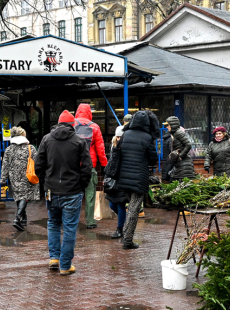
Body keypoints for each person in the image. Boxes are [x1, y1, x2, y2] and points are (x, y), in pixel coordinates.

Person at [35, 110, 93, 275]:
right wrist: (81, 185)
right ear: (72, 125)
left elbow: (38, 165)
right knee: (69, 228)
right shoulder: (79, 141)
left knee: (53, 223)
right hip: (72, 191)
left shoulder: (46, 139)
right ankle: (65, 265)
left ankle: (54, 257)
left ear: (59, 123)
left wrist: (45, 183)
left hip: (51, 190)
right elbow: (87, 167)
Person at [106, 111, 158, 249]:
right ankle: (127, 240)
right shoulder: (147, 137)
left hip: (124, 178)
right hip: (139, 178)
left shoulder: (125, 135)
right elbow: (153, 159)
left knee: (131, 208)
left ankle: (125, 235)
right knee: (134, 210)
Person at [73, 104, 108, 229]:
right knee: (90, 194)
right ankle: (90, 221)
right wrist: (104, 165)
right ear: (89, 113)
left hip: (74, 166)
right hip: (90, 166)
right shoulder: (94, 127)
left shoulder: (72, 125)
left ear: (77, 112)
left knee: (74, 194)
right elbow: (100, 149)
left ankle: (73, 220)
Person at [0, 126, 37, 231]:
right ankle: (17, 218)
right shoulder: (31, 148)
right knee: (24, 196)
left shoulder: (9, 149)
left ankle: (23, 218)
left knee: (18, 196)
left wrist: (3, 180)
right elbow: (37, 162)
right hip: (27, 175)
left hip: (13, 176)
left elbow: (5, 166)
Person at [164, 116, 196, 181]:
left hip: (184, 164)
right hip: (180, 164)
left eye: (168, 125)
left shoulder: (179, 133)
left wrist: (181, 156)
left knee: (180, 185)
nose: (167, 127)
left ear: (172, 125)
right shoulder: (175, 133)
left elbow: (188, 144)